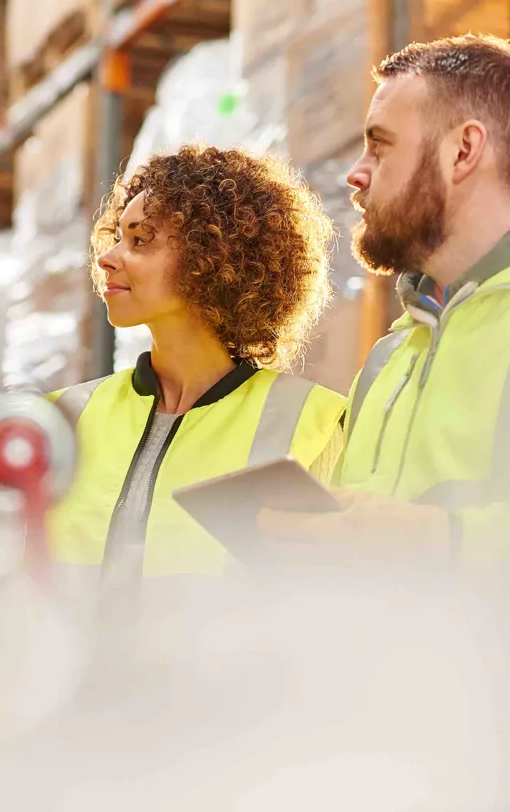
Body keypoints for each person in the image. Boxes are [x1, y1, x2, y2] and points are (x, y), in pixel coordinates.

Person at [46, 145, 345, 615]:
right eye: (118, 236)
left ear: (214, 255)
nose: (108, 258)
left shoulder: (315, 423)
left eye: (140, 241)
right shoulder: (62, 418)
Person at [258, 34, 510, 565]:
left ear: (463, 151)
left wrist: (437, 540)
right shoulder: (386, 360)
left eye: (380, 144)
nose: (356, 172)